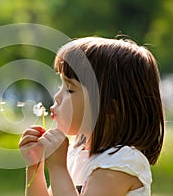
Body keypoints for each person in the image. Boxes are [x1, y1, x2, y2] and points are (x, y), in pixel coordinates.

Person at [18, 37, 164, 196]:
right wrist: (35, 168)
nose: (57, 97)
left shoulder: (120, 162)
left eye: (69, 89)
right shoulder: (77, 153)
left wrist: (58, 168)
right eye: (61, 85)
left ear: (109, 108)